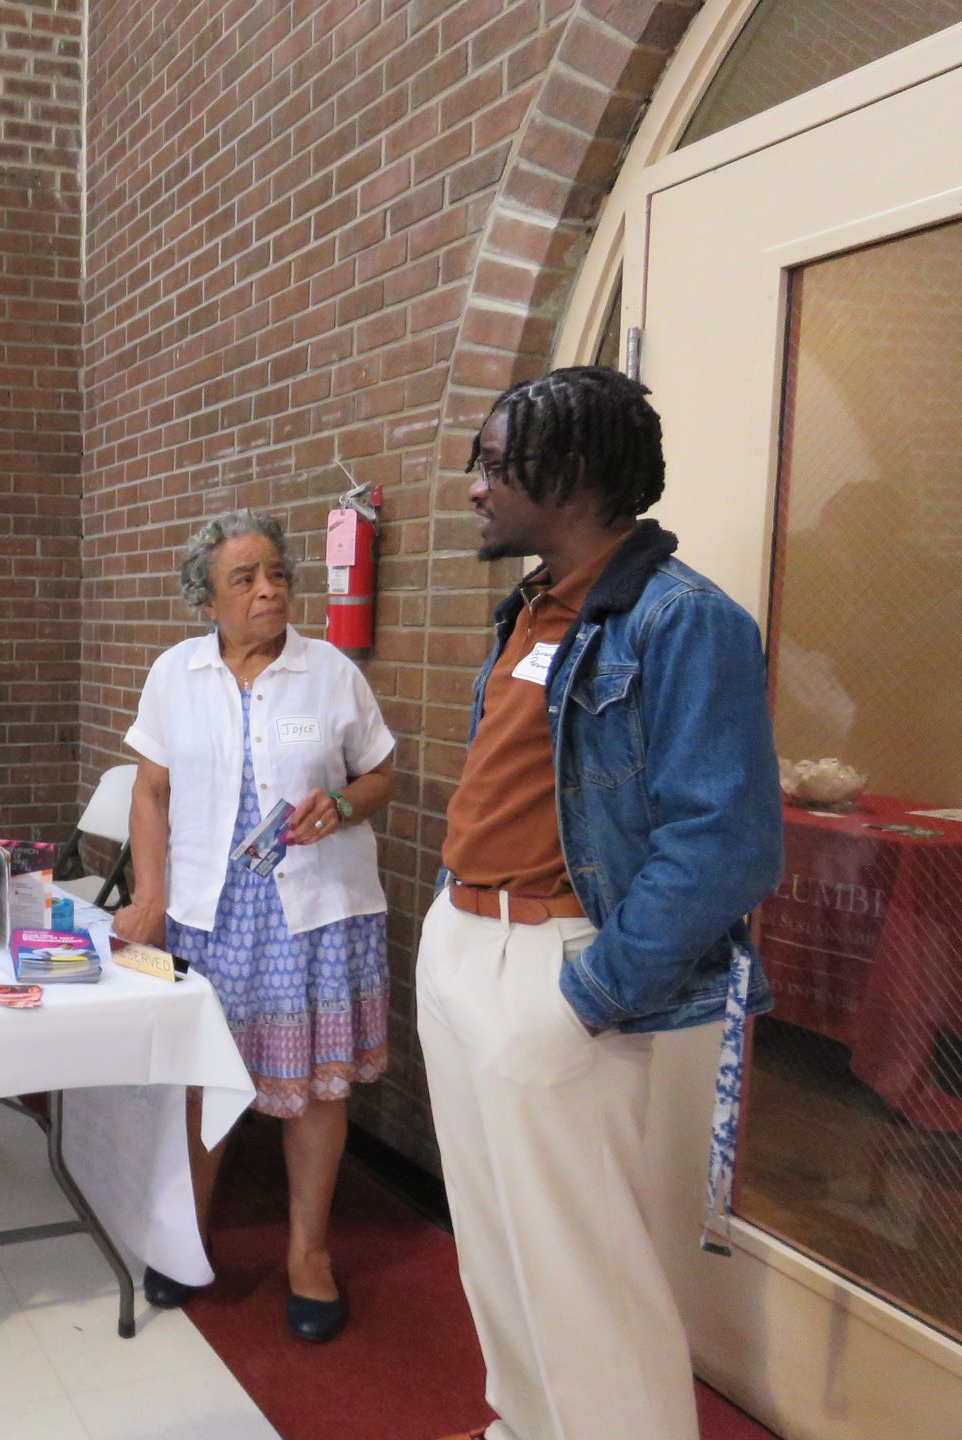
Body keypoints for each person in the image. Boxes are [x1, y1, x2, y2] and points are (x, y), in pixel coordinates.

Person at [421, 366, 782, 1440]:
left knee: (585, 1274)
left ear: (570, 473)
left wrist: (587, 997)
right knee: (495, 1247)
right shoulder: (531, 606)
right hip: (463, 942)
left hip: (560, 965)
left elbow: (724, 845)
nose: (475, 485)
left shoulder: (683, 621)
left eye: (493, 463)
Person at [113, 509, 396, 1343]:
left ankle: (310, 1253)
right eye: (246, 578)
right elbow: (150, 791)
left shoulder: (330, 673)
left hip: (311, 917)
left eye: (277, 574)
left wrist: (340, 804)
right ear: (207, 599)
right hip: (208, 913)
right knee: (204, 1079)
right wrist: (152, 894)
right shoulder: (175, 674)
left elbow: (381, 773)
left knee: (314, 1092)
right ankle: (188, 1230)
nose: (270, 590)